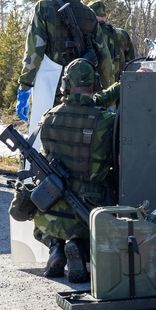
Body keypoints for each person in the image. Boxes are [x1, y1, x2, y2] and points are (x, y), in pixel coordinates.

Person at [32, 58, 118, 282]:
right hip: (90, 210)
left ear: (65, 85)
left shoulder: (49, 118)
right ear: (96, 84)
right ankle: (78, 246)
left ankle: (55, 248)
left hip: (51, 210)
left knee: (44, 220)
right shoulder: (106, 121)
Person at [16, 0, 115, 121]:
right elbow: (104, 57)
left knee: (49, 134)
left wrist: (25, 85)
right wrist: (108, 93)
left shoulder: (43, 8)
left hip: (53, 88)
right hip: (84, 89)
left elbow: (34, 52)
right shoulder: (89, 14)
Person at [88, 0, 136, 83]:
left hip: (97, 91)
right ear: (105, 16)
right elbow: (131, 64)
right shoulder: (122, 34)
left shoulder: (89, 35)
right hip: (120, 89)